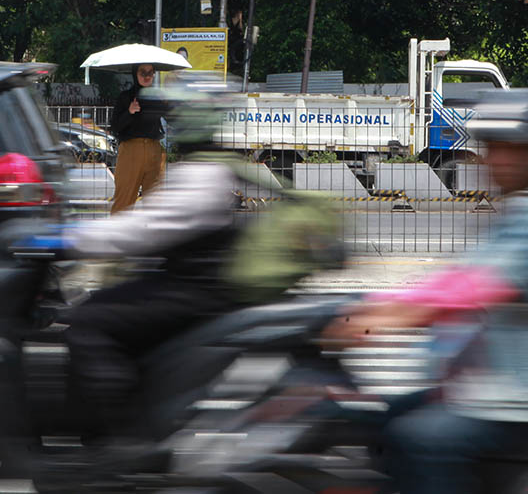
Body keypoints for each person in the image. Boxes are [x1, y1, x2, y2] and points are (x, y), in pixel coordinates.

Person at [324, 89, 528, 494]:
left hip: (526, 399)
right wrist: (372, 306)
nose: (498, 161)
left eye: (511, 151)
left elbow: (473, 290)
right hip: (487, 388)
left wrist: (378, 322)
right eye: (492, 150)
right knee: (377, 417)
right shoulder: (508, 213)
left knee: (420, 438)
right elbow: (452, 281)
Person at [64, 86, 342, 437]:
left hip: (193, 291)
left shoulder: (200, 175)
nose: (171, 122)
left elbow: (143, 229)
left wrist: (69, 238)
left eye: (176, 115)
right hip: (195, 286)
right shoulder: (212, 167)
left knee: (89, 319)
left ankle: (119, 438)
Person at [109, 63, 166, 214]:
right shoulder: (126, 97)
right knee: (124, 200)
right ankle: (119, 235)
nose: (147, 76)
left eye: (151, 72)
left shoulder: (158, 97)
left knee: (155, 202)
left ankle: (152, 237)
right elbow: (115, 127)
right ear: (135, 74)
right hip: (131, 150)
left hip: (154, 150)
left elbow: (173, 117)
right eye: (143, 72)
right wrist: (130, 112)